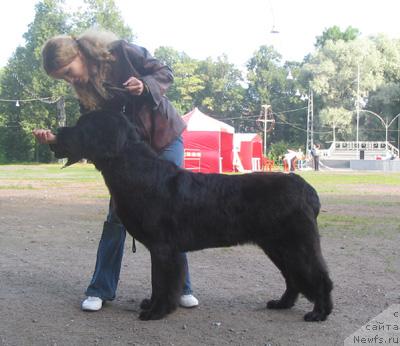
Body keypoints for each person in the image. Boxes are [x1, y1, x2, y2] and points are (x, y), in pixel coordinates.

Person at [33, 30, 199, 311]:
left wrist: (145, 85)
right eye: (63, 77)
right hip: (128, 156)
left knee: (171, 214)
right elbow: (89, 134)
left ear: (80, 55)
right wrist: (57, 140)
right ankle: (100, 289)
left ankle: (181, 289)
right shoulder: (84, 92)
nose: (70, 80)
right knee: (117, 217)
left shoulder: (123, 52)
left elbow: (165, 72)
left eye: (69, 72)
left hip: (163, 138)